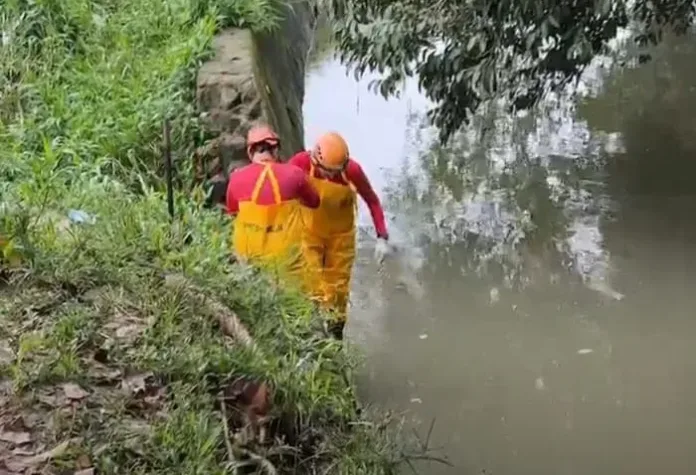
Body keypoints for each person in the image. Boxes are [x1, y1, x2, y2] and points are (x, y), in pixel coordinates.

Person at [289, 132, 389, 339]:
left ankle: (336, 335)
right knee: (311, 282)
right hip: (309, 232)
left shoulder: (352, 170)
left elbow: (372, 200)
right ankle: (312, 332)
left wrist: (382, 236)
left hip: (340, 237)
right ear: (316, 161)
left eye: (336, 171)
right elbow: (281, 187)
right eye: (327, 172)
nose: (330, 176)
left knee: (338, 290)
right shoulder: (300, 163)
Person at [226, 124, 320, 289]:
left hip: (250, 264)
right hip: (287, 263)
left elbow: (233, 211)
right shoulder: (295, 174)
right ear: (276, 151)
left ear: (250, 152)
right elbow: (314, 202)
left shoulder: (235, 179)